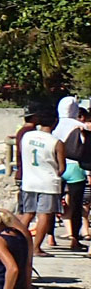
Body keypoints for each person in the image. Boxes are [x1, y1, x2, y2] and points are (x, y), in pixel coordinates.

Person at [17, 110, 64, 257]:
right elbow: (62, 167)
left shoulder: (27, 136)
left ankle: (16, 242)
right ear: (55, 122)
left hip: (29, 180)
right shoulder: (56, 142)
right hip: (48, 182)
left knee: (27, 213)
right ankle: (36, 247)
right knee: (44, 215)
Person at [58, 97, 88, 250]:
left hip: (57, 167)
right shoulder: (79, 126)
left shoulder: (55, 124)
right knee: (76, 205)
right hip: (75, 167)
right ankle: (74, 238)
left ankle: (50, 237)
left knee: (54, 204)